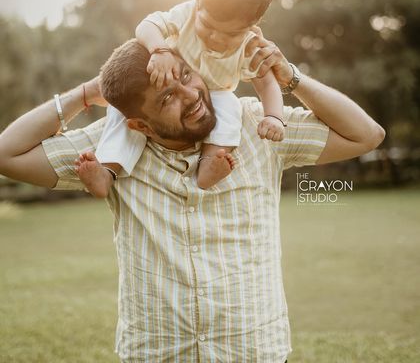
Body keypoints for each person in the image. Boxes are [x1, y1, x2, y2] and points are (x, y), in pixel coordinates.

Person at [0, 35, 385, 363]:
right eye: (168, 96)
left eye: (186, 74)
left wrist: (292, 79)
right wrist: (85, 94)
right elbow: (7, 154)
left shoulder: (257, 126)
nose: (191, 95)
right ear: (139, 123)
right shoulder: (109, 148)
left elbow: (366, 135)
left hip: (253, 350)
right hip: (156, 352)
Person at [88, 0, 286, 194]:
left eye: (231, 34)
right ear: (198, 2)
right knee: (122, 112)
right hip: (168, 79)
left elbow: (266, 82)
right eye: (209, 26)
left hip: (214, 95)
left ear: (253, 24)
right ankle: (107, 170)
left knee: (231, 109)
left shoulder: (250, 45)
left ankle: (209, 165)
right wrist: (158, 49)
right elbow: (147, 26)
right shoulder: (185, 15)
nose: (216, 38)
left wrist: (274, 116)